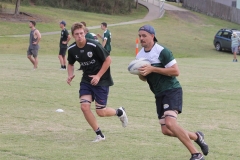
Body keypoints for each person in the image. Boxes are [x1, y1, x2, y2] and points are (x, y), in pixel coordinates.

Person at [136, 25, 209, 160]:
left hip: (171, 90)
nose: (141, 38)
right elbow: (144, 78)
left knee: (170, 123)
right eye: (140, 36)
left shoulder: (162, 51)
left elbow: (176, 71)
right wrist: (140, 73)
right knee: (166, 130)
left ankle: (196, 154)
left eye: (144, 35)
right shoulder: (139, 55)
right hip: (158, 94)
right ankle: (196, 136)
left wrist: (153, 69)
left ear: (152, 36)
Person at [66, 22, 128, 142]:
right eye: (77, 34)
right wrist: (70, 75)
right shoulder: (72, 49)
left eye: (81, 33)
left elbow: (108, 60)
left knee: (101, 112)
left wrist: (98, 76)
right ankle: (99, 134)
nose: (80, 36)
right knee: (84, 107)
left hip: (102, 80)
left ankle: (119, 112)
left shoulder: (93, 45)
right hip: (86, 80)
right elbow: (70, 63)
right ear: (73, 36)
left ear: (85, 33)